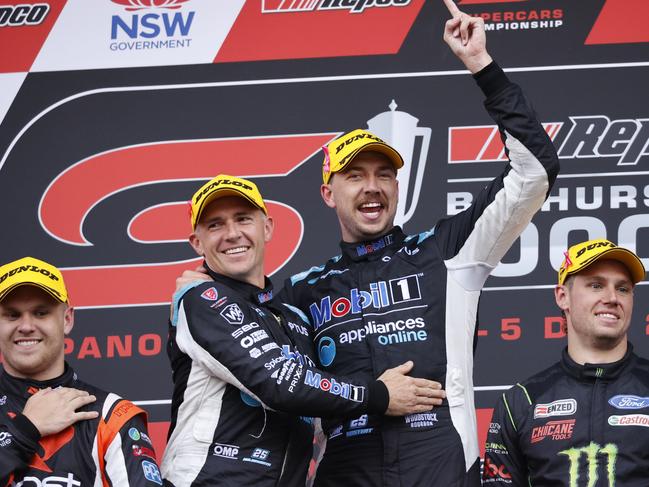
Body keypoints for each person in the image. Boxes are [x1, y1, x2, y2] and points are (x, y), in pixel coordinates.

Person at [176, 0, 560, 484]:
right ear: (328, 192)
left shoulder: (449, 251)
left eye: (384, 174)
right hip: (344, 472)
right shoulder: (299, 294)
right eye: (354, 175)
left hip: (440, 466)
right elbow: (247, 348)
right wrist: (207, 282)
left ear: (400, 186)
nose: (371, 186)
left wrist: (482, 66)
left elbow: (534, 172)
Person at [161, 175, 445, 486]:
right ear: (197, 243)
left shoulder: (291, 315)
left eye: (243, 219)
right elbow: (279, 382)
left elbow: (319, 394)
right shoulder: (202, 298)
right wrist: (378, 393)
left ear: (267, 227)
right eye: (215, 225)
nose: (232, 234)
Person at [483, 239, 648, 485]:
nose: (612, 298)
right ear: (563, 297)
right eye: (596, 285)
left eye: (623, 288)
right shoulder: (522, 400)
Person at [0, 256, 163, 486]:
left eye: (41, 313)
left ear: (67, 319)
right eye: (12, 314)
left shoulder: (111, 415)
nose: (26, 326)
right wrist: (25, 430)